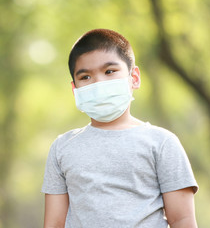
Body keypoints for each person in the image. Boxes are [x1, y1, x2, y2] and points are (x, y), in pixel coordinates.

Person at [41, 29, 198, 228]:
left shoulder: (162, 143)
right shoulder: (62, 148)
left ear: (134, 78)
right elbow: (54, 223)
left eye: (109, 72)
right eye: (85, 77)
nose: (98, 83)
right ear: (75, 89)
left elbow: (182, 219)